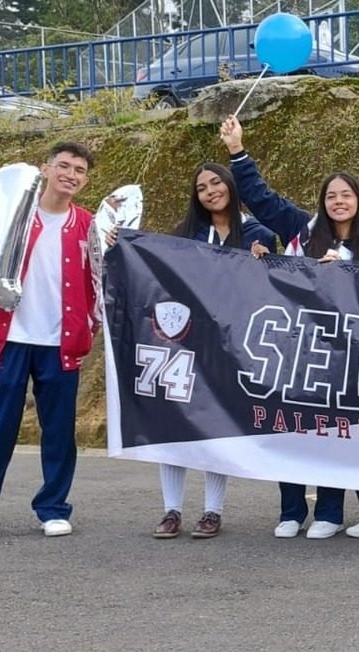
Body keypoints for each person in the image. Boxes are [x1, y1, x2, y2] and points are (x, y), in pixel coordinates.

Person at [220, 114, 359, 540]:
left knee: (331, 437)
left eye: (347, 195)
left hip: (346, 360)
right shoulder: (305, 231)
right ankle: (291, 510)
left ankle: (329, 511)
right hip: (294, 353)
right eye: (331, 196)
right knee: (288, 431)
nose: (339, 202)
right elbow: (262, 199)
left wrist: (347, 270)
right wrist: (238, 150)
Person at [0, 142, 99, 541]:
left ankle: (53, 508)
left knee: (59, 431)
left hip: (60, 342)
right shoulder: (12, 211)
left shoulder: (90, 225)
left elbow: (105, 277)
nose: (70, 175)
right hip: (5, 338)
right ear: (45, 169)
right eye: (63, 166)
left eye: (79, 170)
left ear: (86, 179)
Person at [109, 163, 278, 539]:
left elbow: (272, 285)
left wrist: (264, 260)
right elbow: (150, 265)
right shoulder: (186, 235)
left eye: (217, 182)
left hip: (229, 346)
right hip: (182, 342)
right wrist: (120, 245)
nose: (211, 191)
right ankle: (171, 510)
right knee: (173, 424)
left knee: (216, 425)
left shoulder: (257, 232)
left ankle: (212, 511)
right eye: (202, 187)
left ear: (231, 186)